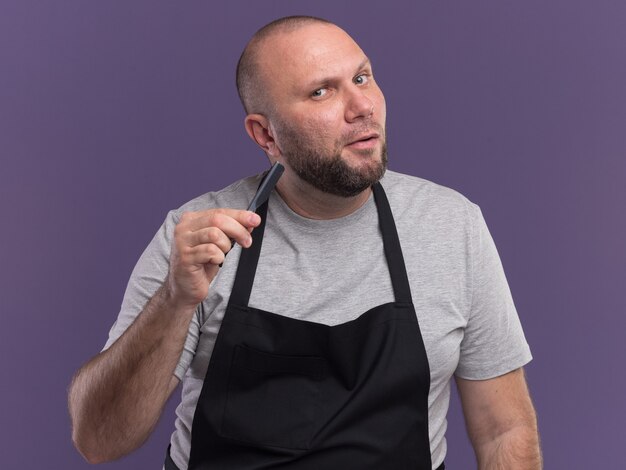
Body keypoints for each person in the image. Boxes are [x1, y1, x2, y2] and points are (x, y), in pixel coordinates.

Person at [68, 15, 541, 470]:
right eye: (321, 92)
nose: (362, 107)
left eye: (362, 77)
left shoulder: (451, 225)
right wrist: (175, 299)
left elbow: (505, 430)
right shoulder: (197, 239)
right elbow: (99, 440)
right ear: (266, 135)